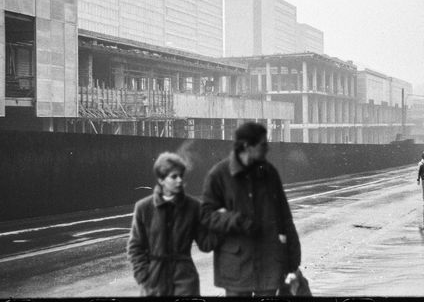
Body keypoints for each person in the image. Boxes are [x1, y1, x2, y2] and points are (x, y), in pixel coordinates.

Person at [200, 121, 301, 297]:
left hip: (268, 262)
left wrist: (293, 259)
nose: (267, 148)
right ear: (247, 146)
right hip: (236, 265)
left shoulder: (269, 173)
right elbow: (206, 216)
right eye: (263, 144)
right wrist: (236, 220)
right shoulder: (219, 175)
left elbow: (284, 216)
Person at [126, 152, 215, 296]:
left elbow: (205, 244)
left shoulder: (193, 207)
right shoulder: (144, 208)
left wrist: (219, 224)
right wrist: (143, 276)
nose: (180, 180)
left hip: (185, 281)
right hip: (154, 281)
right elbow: (135, 247)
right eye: (174, 177)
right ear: (161, 180)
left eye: (181, 176)